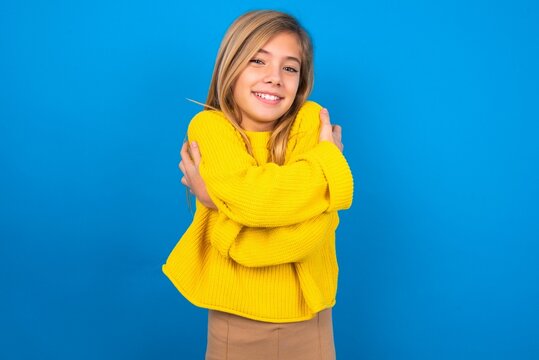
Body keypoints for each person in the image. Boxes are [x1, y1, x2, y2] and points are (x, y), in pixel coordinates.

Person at [162, 10, 354, 359]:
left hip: (311, 320)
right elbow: (254, 200)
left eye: (290, 67)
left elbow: (304, 238)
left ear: (301, 80)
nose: (275, 78)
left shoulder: (312, 121)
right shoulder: (210, 128)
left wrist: (217, 205)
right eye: (257, 61)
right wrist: (328, 167)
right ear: (230, 66)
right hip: (235, 319)